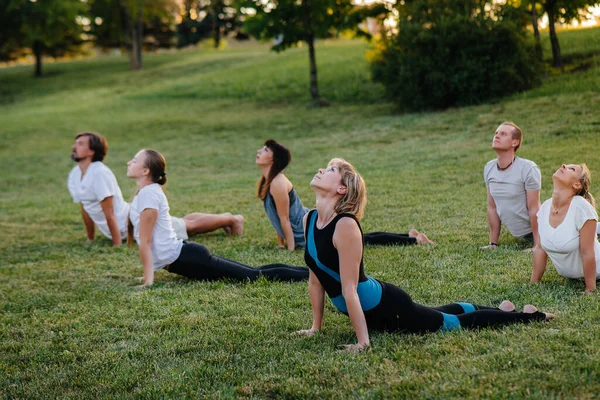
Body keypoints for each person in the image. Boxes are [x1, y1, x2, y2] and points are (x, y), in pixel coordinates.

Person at [296, 158, 553, 351]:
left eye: (330, 170)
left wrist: (363, 342)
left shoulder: (345, 225)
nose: (321, 170)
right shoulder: (310, 219)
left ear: (342, 189)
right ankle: (502, 309)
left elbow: (350, 289)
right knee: (438, 312)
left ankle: (530, 316)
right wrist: (315, 328)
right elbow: (315, 280)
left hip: (386, 305)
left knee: (450, 323)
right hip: (374, 308)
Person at [127, 148, 309, 287]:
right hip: (187, 256)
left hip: (189, 258)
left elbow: (146, 240)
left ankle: (311, 275)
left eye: (134, 160)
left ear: (145, 171)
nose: (129, 162)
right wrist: (147, 274)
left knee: (253, 276)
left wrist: (148, 281)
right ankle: (312, 273)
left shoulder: (149, 194)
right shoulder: (147, 192)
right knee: (254, 272)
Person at [68, 132, 244, 246]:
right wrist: (90, 238)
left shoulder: (99, 173)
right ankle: (225, 218)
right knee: (183, 222)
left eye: (80, 144)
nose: (74, 147)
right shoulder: (76, 174)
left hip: (134, 221)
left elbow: (110, 213)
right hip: (128, 222)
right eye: (75, 143)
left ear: (92, 151)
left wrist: (117, 244)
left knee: (189, 226)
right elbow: (85, 208)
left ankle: (232, 219)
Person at [255, 139, 433, 251]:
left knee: (364, 240)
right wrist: (281, 242)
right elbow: (277, 217)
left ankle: (413, 240)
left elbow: (284, 218)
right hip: (305, 227)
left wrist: (290, 248)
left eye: (265, 150)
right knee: (365, 238)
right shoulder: (268, 181)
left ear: (273, 160)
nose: (259, 152)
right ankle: (410, 237)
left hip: (307, 228)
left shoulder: (278, 183)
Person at [531, 164, 600, 293]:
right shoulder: (545, 208)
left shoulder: (582, 208)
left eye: (572, 169)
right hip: (571, 276)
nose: (564, 166)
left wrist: (590, 289)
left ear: (577, 185)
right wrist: (534, 282)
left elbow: (588, 252)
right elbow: (540, 248)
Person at [482, 122, 541, 250]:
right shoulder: (489, 168)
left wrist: (537, 245)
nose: (496, 136)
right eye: (496, 133)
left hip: (548, 227)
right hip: (524, 235)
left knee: (578, 231)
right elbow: (492, 208)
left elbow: (534, 208)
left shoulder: (528, 168)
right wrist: (493, 244)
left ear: (515, 142)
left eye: (503, 134)